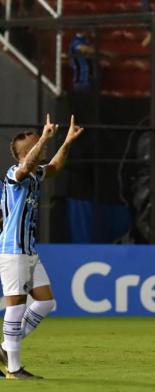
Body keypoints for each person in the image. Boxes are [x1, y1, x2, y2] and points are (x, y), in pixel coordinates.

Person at [0, 114, 84, 379]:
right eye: (36, 142)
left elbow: (55, 167)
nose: (42, 143)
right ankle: (13, 368)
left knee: (46, 302)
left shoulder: (36, 173)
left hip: (29, 250)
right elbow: (25, 168)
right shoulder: (15, 173)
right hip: (13, 250)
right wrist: (46, 136)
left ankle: (4, 348)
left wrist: (67, 141)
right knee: (16, 305)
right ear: (24, 152)